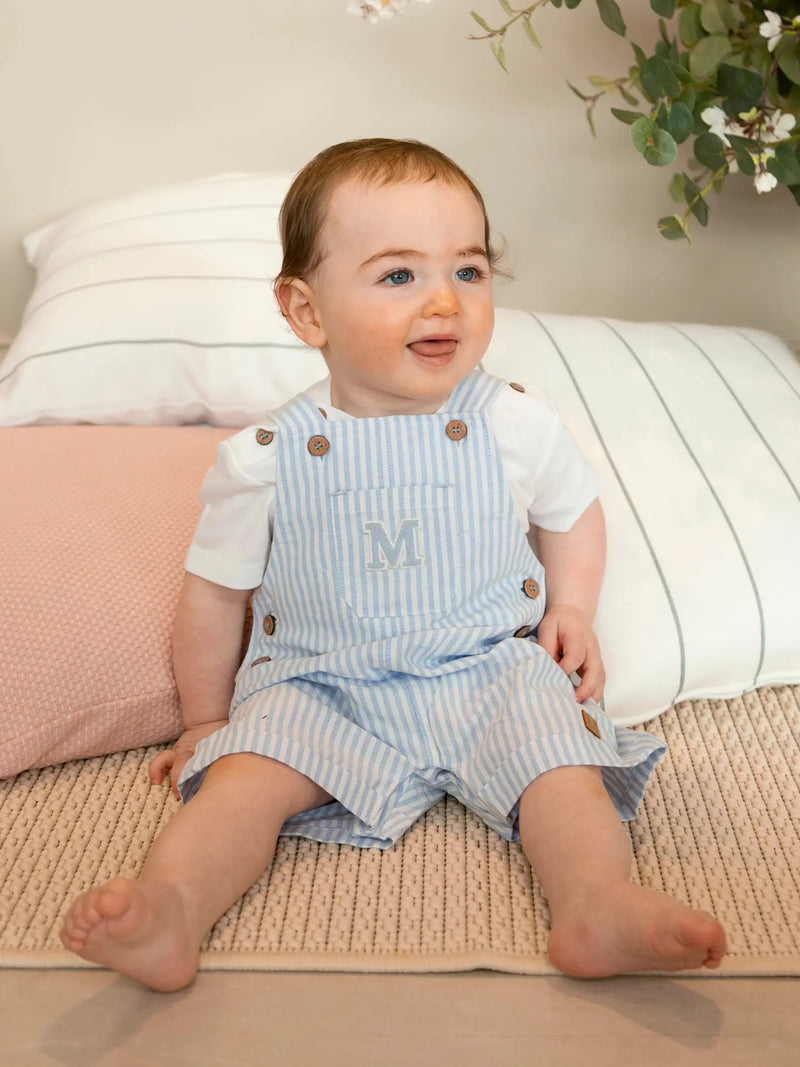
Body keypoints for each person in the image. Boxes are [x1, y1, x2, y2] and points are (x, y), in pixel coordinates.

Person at [60, 138, 726, 991]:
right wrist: (203, 719)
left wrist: (574, 606)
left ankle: (597, 903)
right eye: (399, 275)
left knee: (563, 761)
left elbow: (572, 513)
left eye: (471, 271)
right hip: (320, 681)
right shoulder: (267, 455)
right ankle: (170, 909)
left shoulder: (511, 421)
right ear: (307, 311)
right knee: (241, 783)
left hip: (483, 667)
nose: (445, 300)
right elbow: (213, 594)